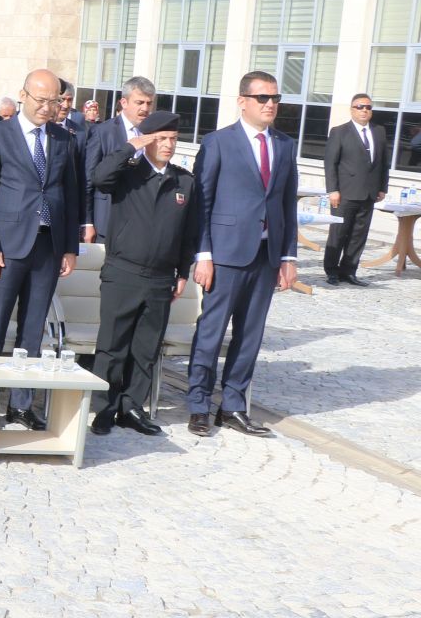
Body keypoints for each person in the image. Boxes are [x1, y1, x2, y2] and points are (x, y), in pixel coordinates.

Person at [185, 72, 299, 438]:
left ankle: (233, 405)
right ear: (243, 101)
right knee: (212, 332)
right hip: (225, 255)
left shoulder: (284, 144)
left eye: (275, 98)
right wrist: (203, 253)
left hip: (266, 256)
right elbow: (201, 202)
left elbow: (286, 204)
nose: (270, 104)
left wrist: (288, 258)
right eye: (263, 98)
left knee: (250, 335)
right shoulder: (219, 142)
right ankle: (199, 405)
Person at [0, 68, 83, 428]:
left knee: (32, 331)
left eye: (55, 101)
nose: (47, 108)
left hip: (47, 248)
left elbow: (71, 196)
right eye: (41, 100)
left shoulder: (64, 139)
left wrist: (70, 247)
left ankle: (21, 406)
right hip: (5, 247)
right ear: (23, 95)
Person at [87, 109, 198, 437]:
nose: (168, 145)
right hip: (123, 271)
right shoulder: (128, 173)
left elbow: (189, 232)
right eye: (161, 139)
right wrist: (130, 146)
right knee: (113, 345)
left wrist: (183, 272)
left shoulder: (184, 181)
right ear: (147, 140)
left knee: (146, 347)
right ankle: (106, 406)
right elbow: (99, 177)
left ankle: (131, 406)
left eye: (173, 140)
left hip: (161, 277)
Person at [321, 93, 389, 286]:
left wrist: (382, 187)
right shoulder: (339, 132)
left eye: (367, 107)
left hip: (369, 193)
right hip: (344, 193)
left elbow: (384, 162)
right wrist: (333, 190)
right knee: (339, 233)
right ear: (352, 109)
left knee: (359, 235)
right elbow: (330, 163)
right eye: (360, 107)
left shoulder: (379, 131)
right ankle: (332, 271)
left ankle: (349, 271)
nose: (364, 110)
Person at [83, 76, 156, 244]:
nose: (145, 108)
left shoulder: (152, 133)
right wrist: (87, 222)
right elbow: (89, 180)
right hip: (107, 221)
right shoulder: (103, 132)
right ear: (124, 102)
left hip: (141, 223)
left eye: (149, 103)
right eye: (139, 103)